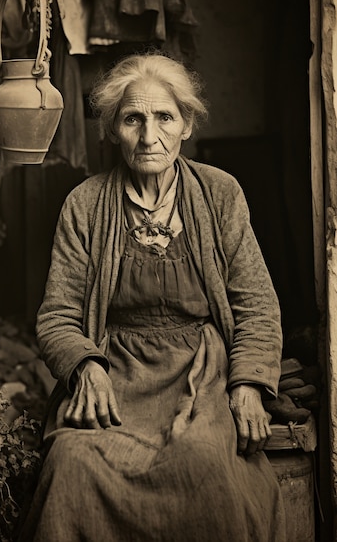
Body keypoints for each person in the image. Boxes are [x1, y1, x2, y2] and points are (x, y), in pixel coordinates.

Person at [18, 53, 286, 542]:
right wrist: (85, 366)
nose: (148, 136)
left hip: (199, 373)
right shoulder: (85, 204)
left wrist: (248, 383)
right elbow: (57, 315)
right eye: (132, 118)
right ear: (112, 129)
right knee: (72, 462)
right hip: (115, 373)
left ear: (186, 125)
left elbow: (256, 305)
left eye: (165, 117)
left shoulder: (220, 193)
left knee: (204, 462)